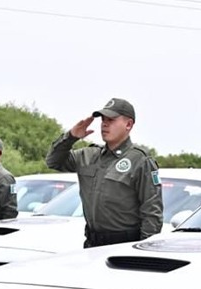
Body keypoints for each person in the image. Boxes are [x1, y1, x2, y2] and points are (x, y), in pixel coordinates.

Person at [46, 98, 163, 247]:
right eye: (103, 120)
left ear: (128, 124)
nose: (104, 124)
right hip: (92, 245)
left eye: (111, 120)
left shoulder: (140, 160)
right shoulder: (89, 155)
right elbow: (53, 161)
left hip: (123, 246)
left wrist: (144, 251)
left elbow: (152, 213)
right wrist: (71, 137)